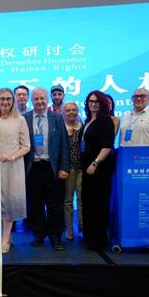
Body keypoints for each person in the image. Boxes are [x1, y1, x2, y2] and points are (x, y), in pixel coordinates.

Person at [23, 87, 70, 251]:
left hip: (52, 168)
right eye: (36, 99)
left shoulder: (57, 118)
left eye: (42, 98)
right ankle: (39, 234)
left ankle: (55, 237)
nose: (39, 102)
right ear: (31, 101)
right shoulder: (24, 118)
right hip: (32, 168)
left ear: (47, 100)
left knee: (55, 205)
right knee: (35, 204)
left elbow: (64, 144)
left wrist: (64, 167)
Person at [0, 88, 30, 253]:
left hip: (12, 167)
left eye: (8, 99)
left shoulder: (20, 120)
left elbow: (26, 146)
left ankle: (5, 238)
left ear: (13, 101)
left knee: (9, 204)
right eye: (2, 99)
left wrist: (11, 156)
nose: (5, 102)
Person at [81, 91, 115, 250]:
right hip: (87, 168)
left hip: (99, 169)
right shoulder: (89, 120)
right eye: (90, 101)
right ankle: (89, 236)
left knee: (98, 203)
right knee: (89, 202)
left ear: (102, 103)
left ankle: (98, 240)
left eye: (96, 101)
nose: (93, 104)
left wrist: (95, 163)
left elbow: (107, 146)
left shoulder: (105, 121)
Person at [62, 102, 83, 241]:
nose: (71, 112)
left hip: (82, 169)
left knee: (82, 199)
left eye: (74, 110)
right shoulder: (60, 128)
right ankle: (69, 229)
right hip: (67, 169)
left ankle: (83, 226)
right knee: (68, 201)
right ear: (63, 113)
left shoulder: (83, 127)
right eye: (68, 110)